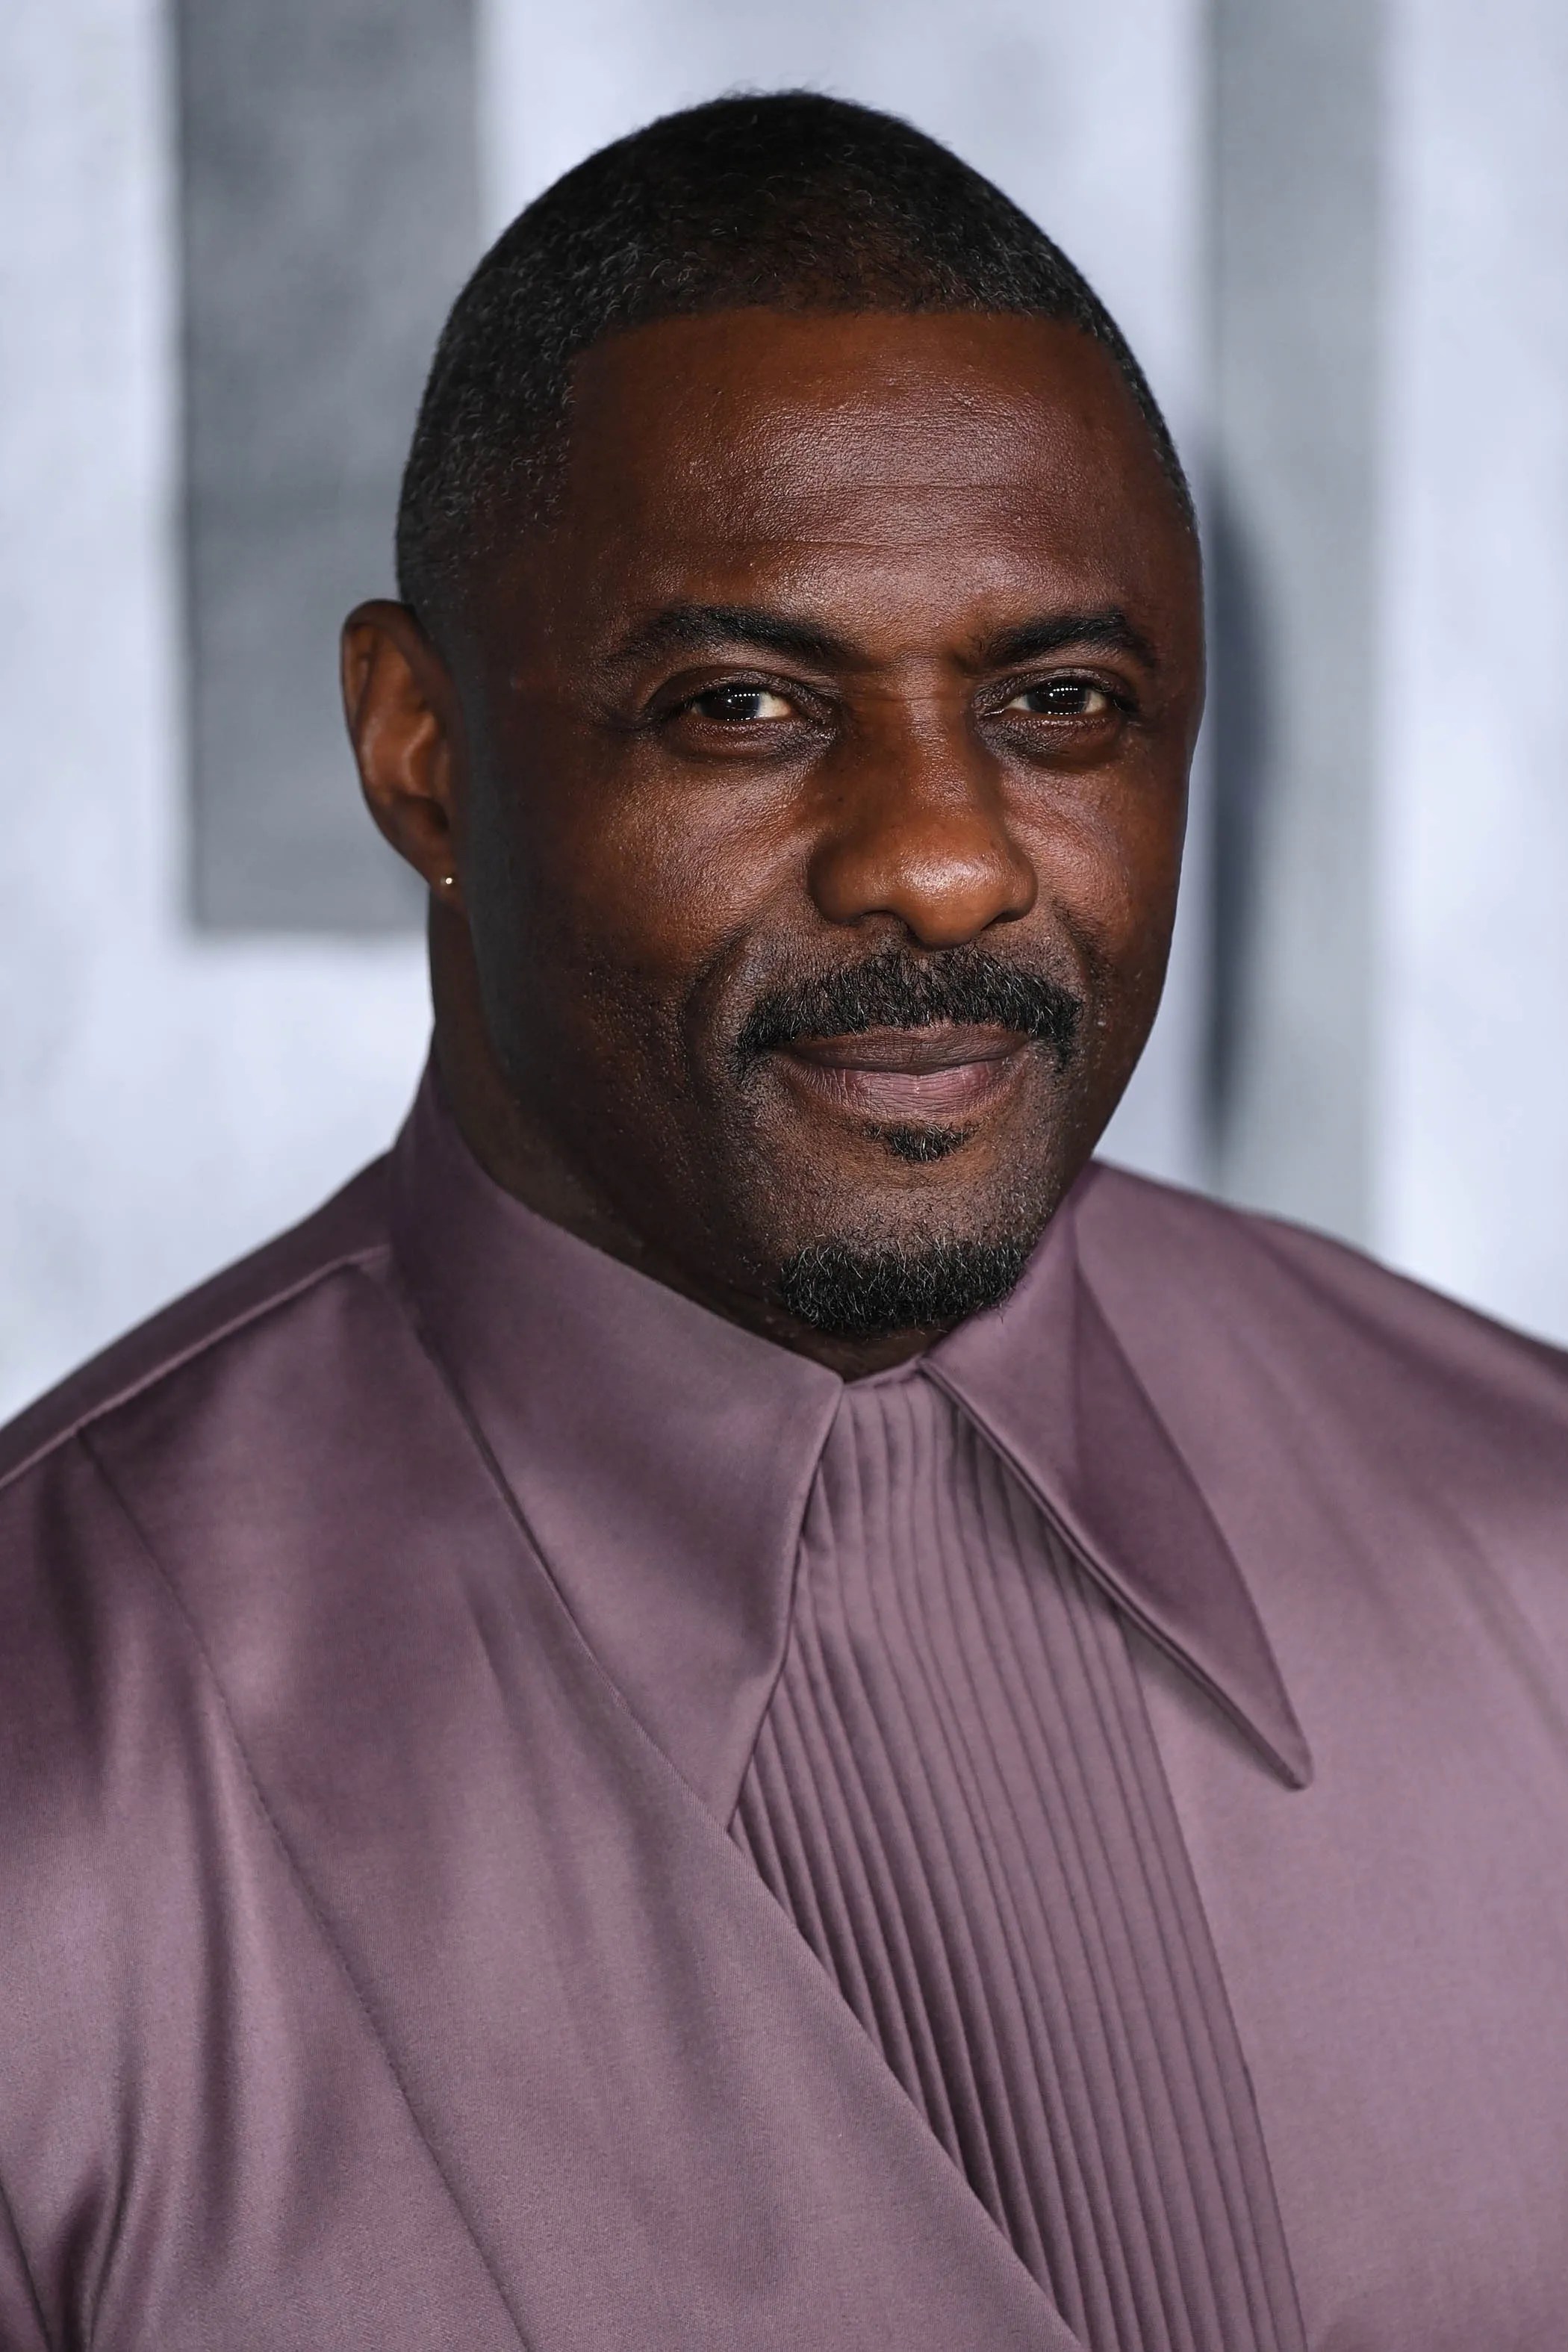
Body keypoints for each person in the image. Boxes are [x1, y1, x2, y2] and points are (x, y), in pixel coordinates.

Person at [1, 90, 1564, 2352]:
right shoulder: (48, 1773)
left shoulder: (1535, 1548)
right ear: (418, 746)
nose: (938, 858)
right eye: (743, 706)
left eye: (1059, 702)